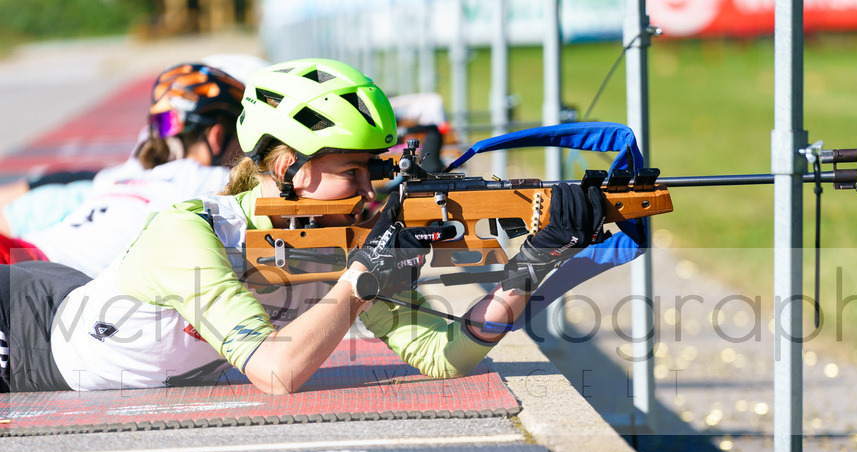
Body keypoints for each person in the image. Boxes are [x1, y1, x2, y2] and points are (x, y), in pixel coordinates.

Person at [0, 58, 605, 395]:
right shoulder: (187, 233)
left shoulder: (338, 239)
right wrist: (359, 282)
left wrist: (533, 263)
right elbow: (277, 373)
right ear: (289, 167)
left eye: (373, 171)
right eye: (351, 172)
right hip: (23, 332)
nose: (370, 191)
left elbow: (441, 356)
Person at [0, 62, 247, 276]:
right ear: (217, 136)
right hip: (47, 273)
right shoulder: (214, 182)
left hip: (24, 252)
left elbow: (74, 176)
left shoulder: (131, 172)